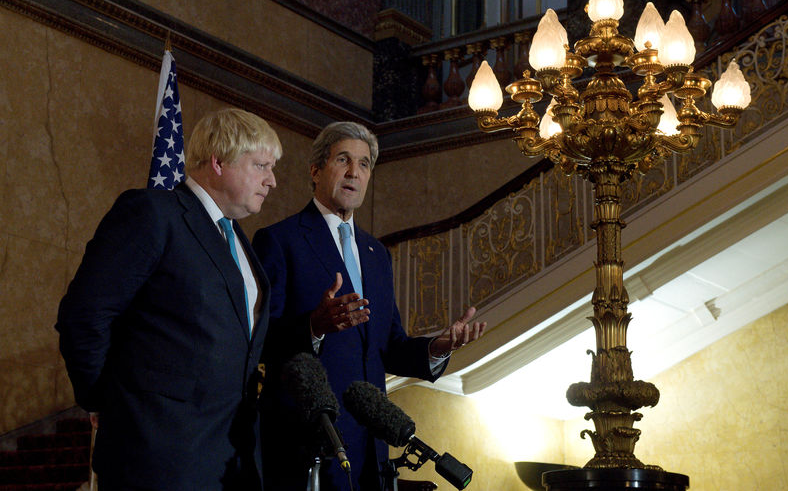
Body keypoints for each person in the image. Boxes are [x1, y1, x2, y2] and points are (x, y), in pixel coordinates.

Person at [56, 108, 282, 491]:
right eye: (261, 165)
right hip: (158, 456)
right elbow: (85, 315)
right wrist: (105, 400)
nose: (272, 181)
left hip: (231, 458)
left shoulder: (240, 241)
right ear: (219, 162)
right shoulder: (153, 214)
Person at [253, 121, 486, 490]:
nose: (354, 172)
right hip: (307, 443)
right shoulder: (280, 240)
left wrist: (436, 348)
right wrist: (314, 326)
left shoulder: (376, 254)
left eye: (364, 164)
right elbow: (261, 340)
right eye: (343, 160)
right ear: (316, 170)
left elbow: (387, 347)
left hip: (370, 447)